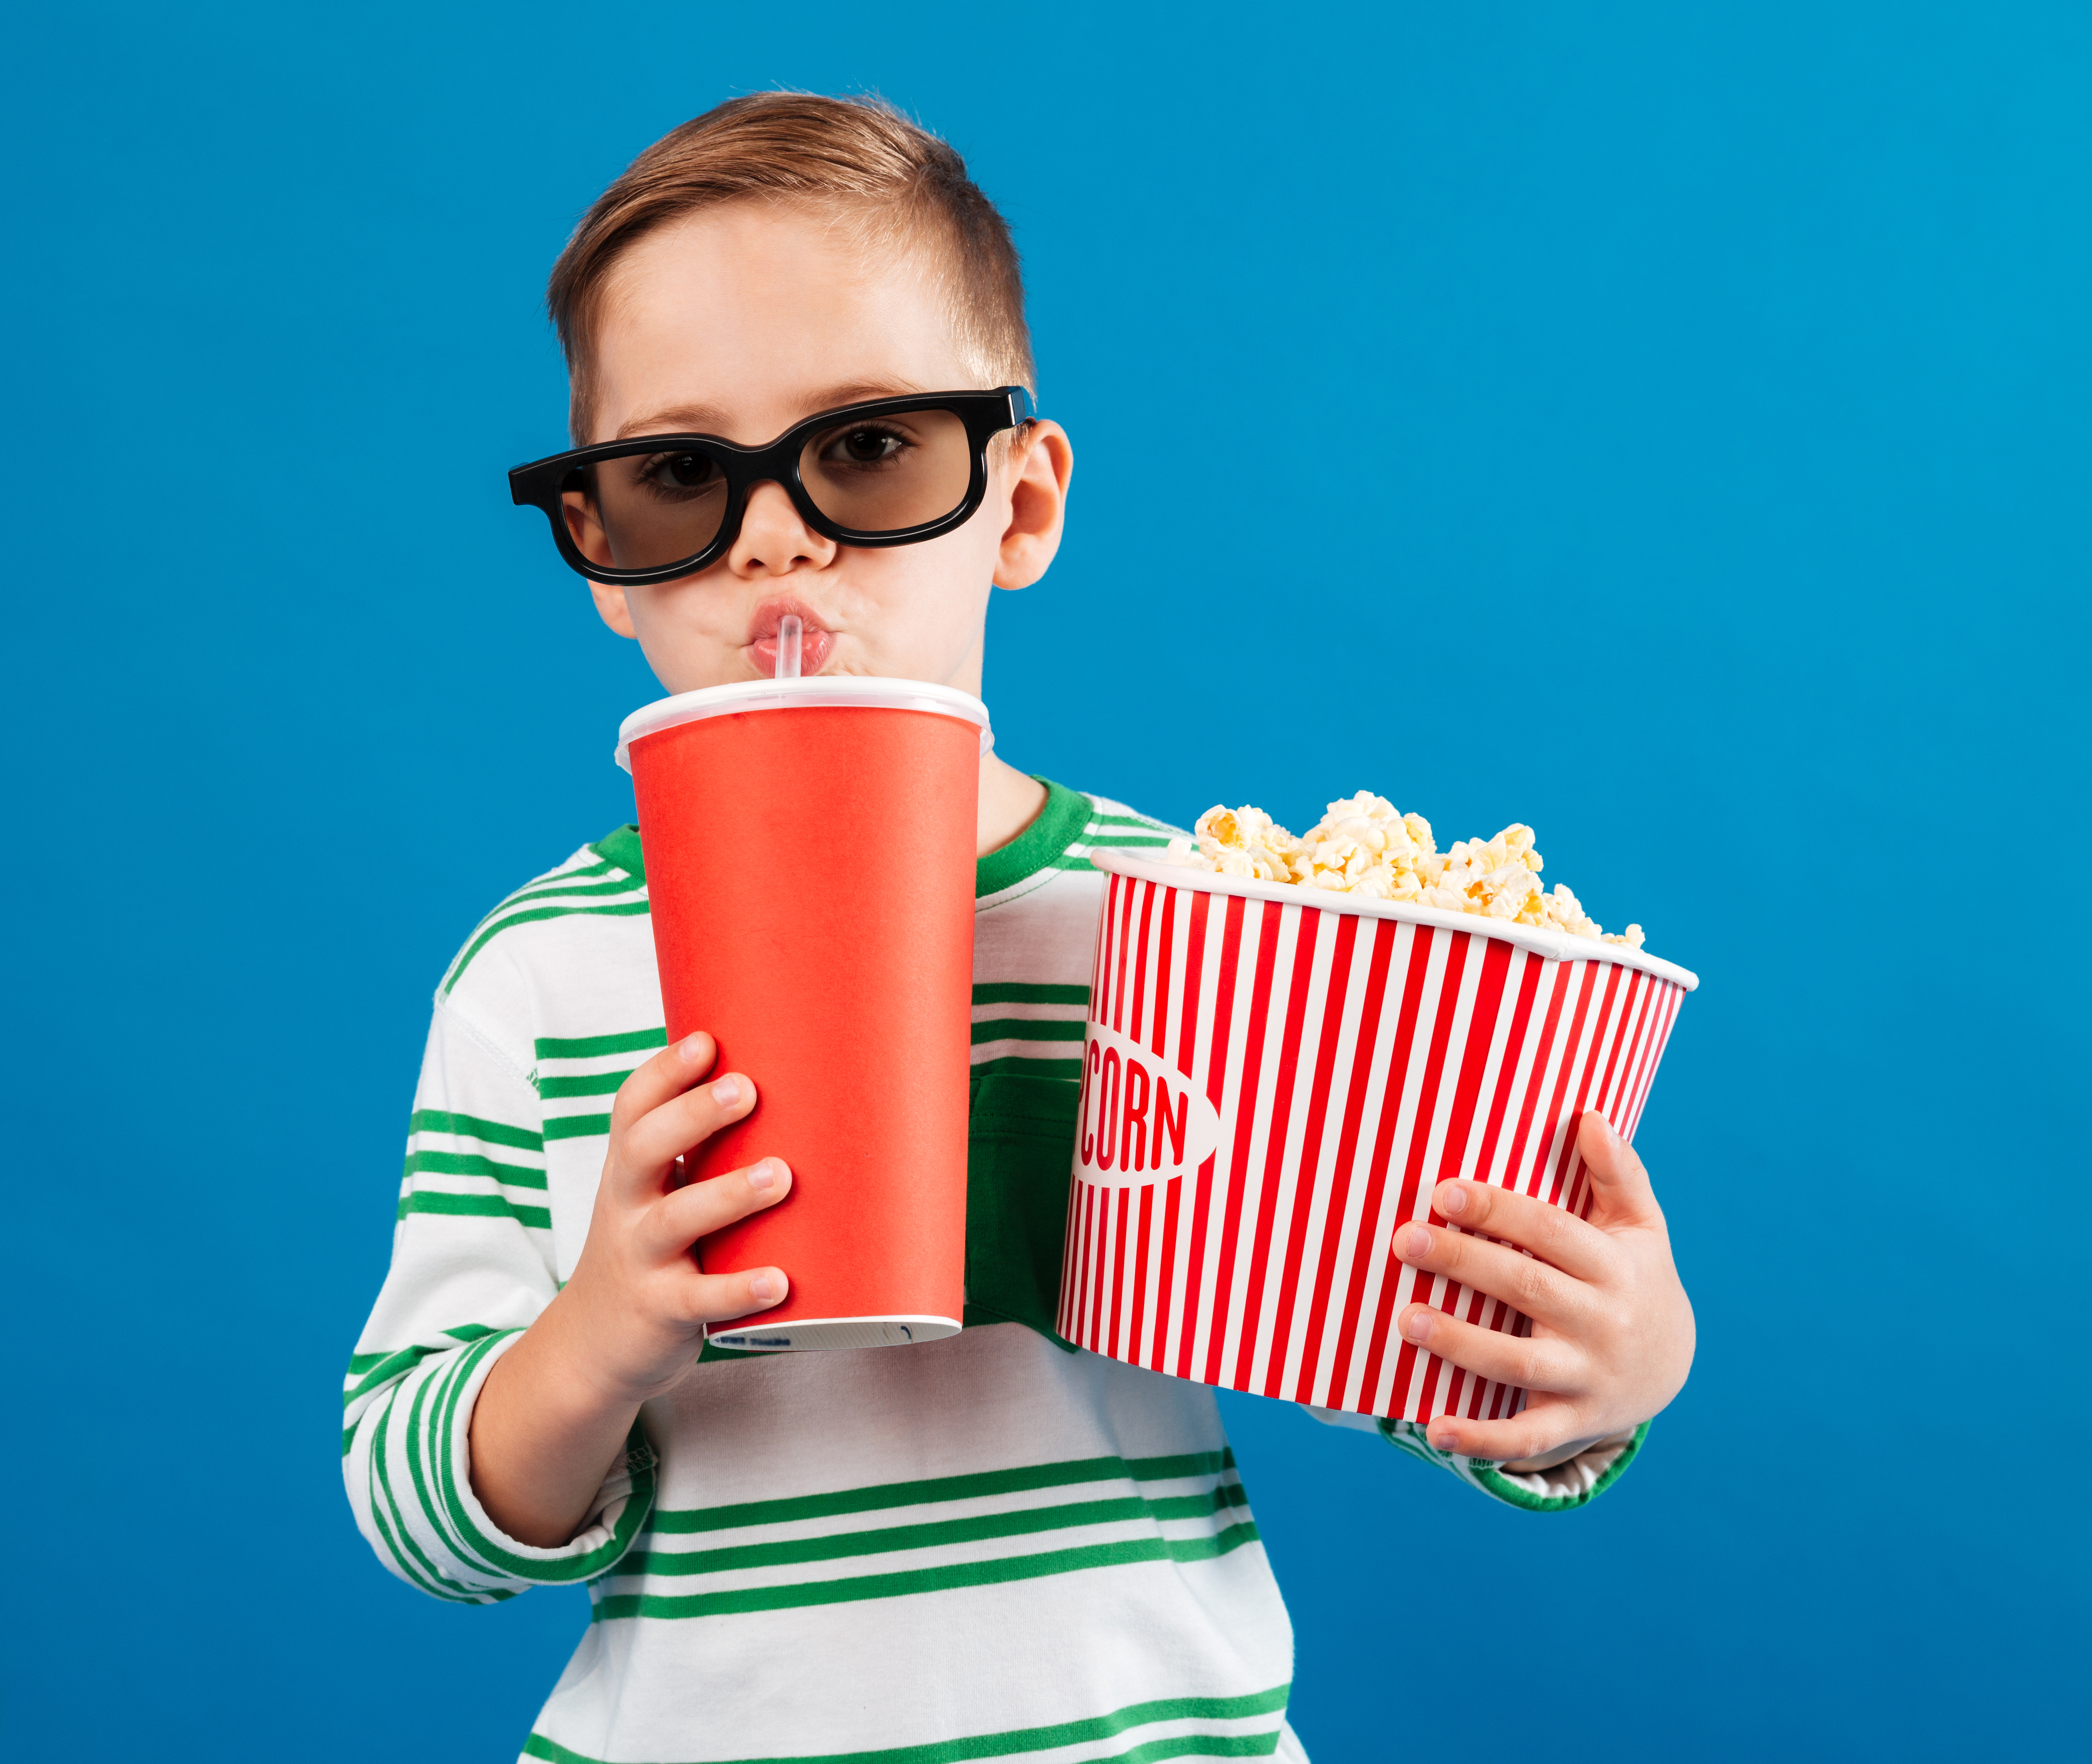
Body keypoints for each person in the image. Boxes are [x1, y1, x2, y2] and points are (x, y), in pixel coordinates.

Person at [343, 93, 1695, 1764]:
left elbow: (1395, 1334)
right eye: (680, 477)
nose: (774, 534)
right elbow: (417, 1507)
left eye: (869, 449)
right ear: (603, 554)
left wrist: (1609, 1365)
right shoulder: (539, 981)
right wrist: (598, 1338)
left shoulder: (1188, 928)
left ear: (1022, 504)